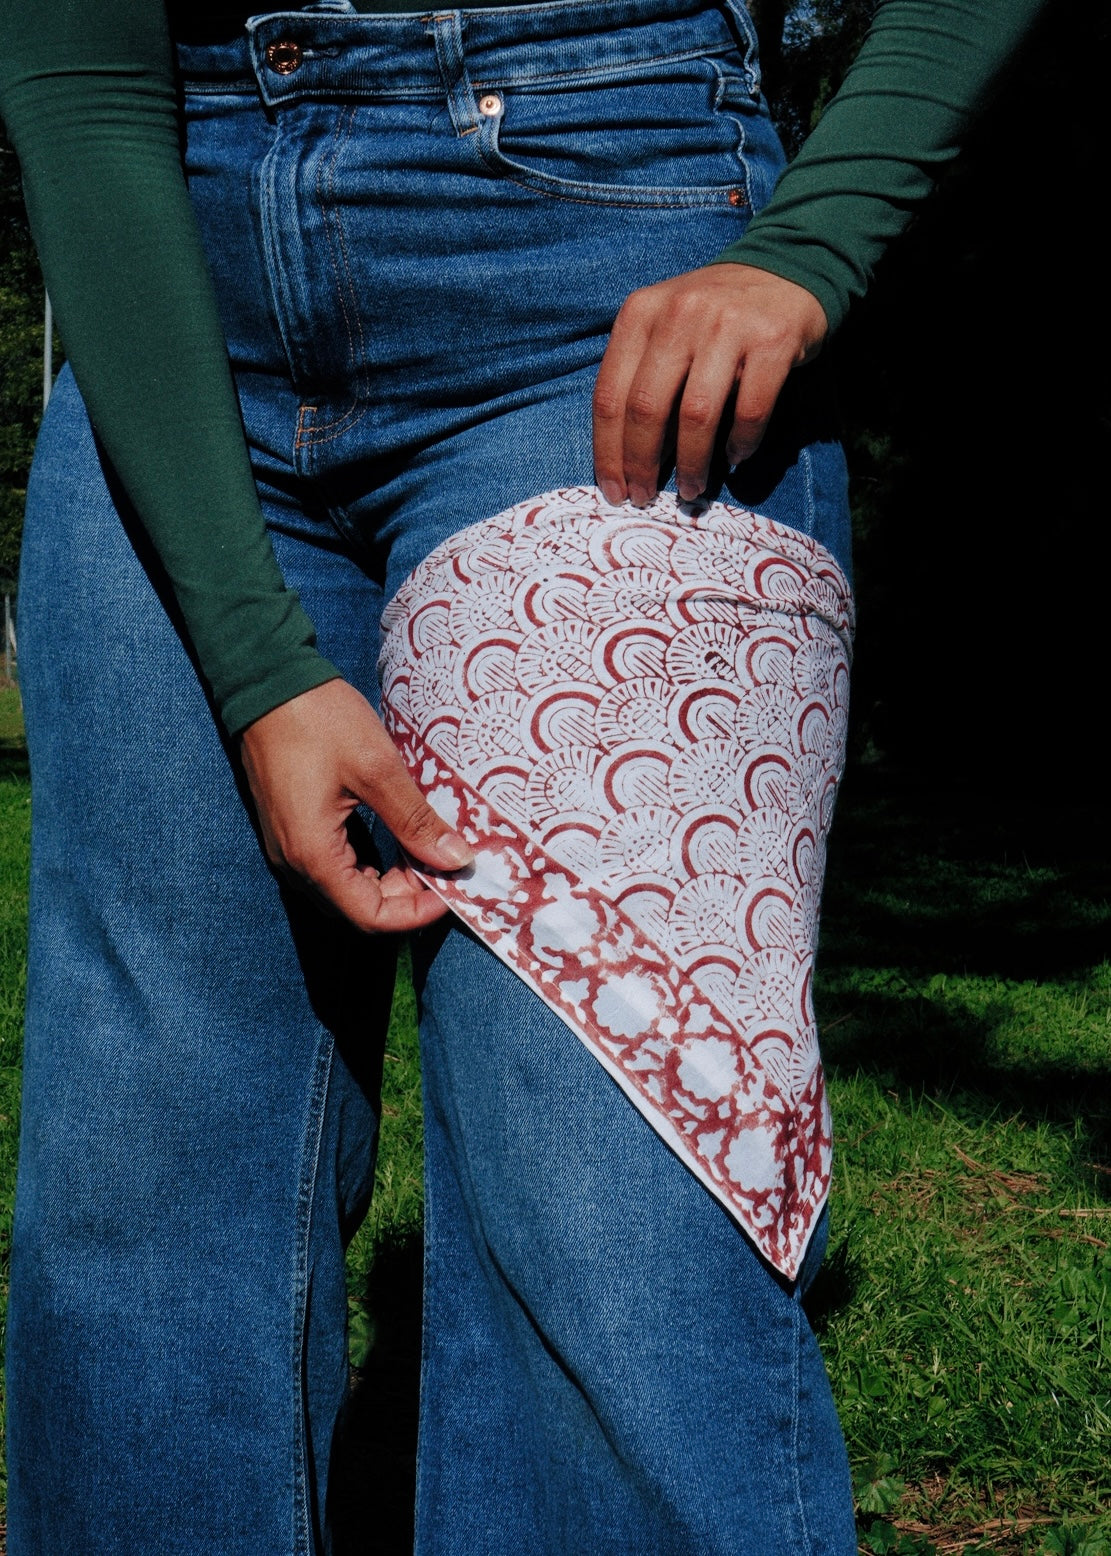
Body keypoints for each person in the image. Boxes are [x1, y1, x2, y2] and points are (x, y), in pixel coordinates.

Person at [0, 0, 1044, 1551]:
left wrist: (815, 238)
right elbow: (74, 61)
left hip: (605, 269)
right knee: (139, 1200)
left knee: (614, 1202)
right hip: (170, 278)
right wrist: (255, 661)